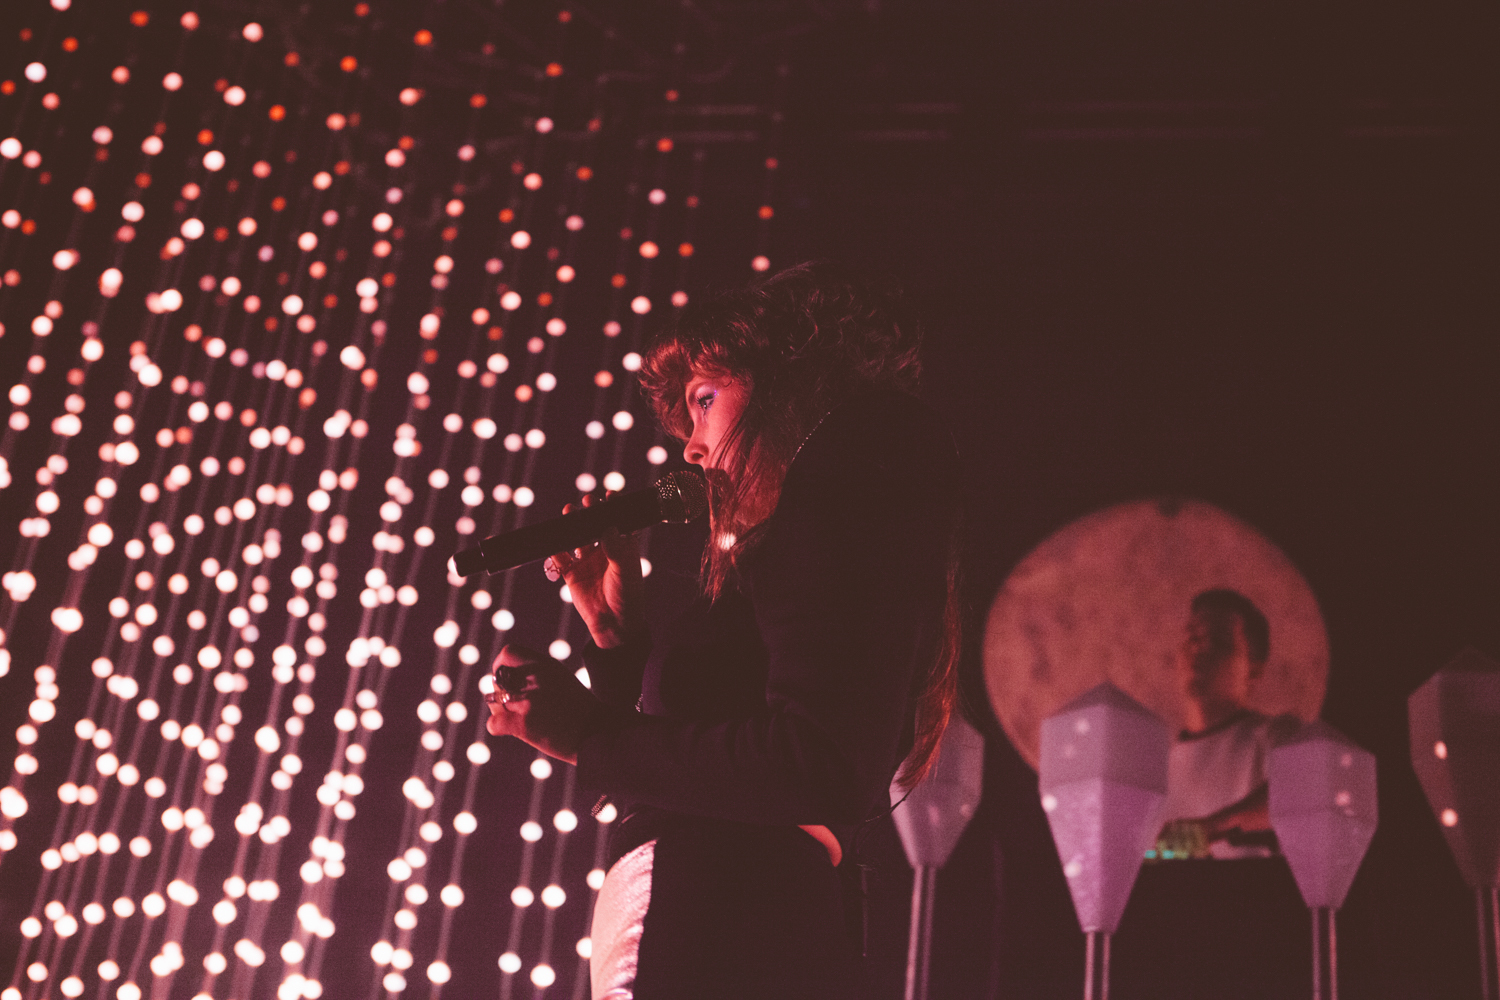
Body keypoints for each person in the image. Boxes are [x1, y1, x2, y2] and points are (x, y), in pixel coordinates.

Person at [484, 261, 963, 998]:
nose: (691, 448)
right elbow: (722, 757)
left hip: (717, 909)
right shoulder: (810, 538)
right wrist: (618, 638)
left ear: (790, 386)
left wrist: (588, 733)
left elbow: (816, 760)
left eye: (705, 400)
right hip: (727, 904)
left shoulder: (843, 488)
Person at [1155, 588, 1299, 860]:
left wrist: (1202, 832)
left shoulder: (1277, 735)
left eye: (1218, 643)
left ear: (1253, 671)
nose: (1199, 649)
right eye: (1192, 638)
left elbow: (1307, 790)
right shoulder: (1156, 768)